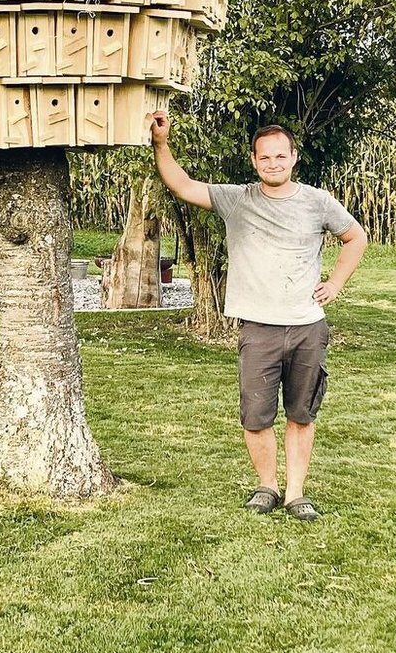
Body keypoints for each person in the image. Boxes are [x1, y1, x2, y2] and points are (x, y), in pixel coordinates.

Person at [148, 111, 368, 521]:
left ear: (293, 157)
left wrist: (335, 284)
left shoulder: (317, 201)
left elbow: (355, 237)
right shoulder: (237, 200)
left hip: (307, 326)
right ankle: (267, 485)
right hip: (258, 328)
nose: (273, 164)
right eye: (265, 158)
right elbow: (181, 185)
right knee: (255, 415)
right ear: (254, 160)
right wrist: (162, 143)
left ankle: (296, 494)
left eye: (280, 157)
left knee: (301, 414)